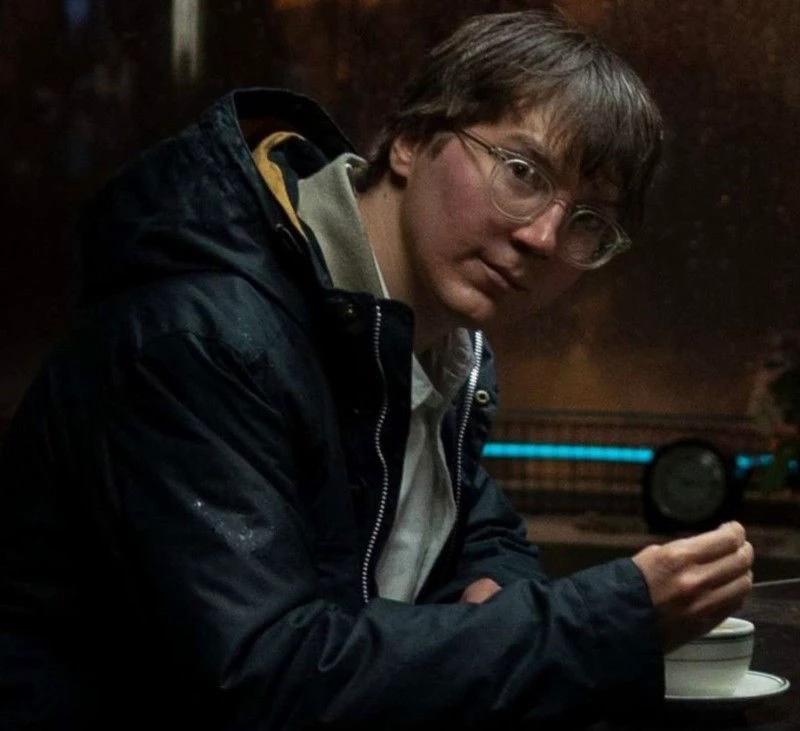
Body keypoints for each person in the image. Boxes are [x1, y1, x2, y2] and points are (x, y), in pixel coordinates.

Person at [0, 9, 754, 730]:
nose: (544, 237)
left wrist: (501, 597)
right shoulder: (204, 338)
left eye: (588, 220)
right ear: (411, 141)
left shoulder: (439, 349)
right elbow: (264, 683)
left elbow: (482, 536)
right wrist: (601, 623)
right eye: (523, 171)